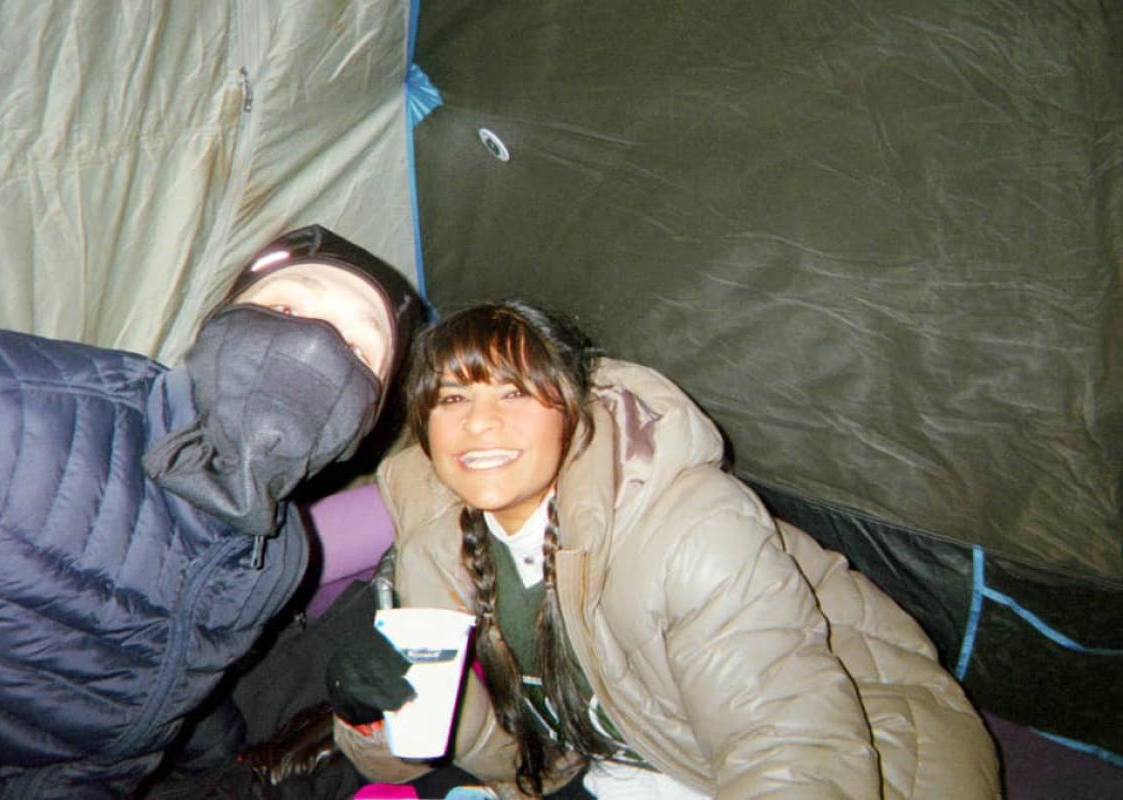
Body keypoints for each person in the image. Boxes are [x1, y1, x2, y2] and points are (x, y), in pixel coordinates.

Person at [318, 301, 1000, 799]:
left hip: (882, 756)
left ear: (574, 413)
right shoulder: (443, 541)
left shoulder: (689, 528)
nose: (480, 423)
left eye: (517, 393)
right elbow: (514, 756)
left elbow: (794, 748)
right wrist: (374, 714)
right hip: (641, 756)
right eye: (453, 398)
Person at [0, 224, 421, 797]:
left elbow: (180, 686)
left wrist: (220, 763)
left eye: (358, 349)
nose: (313, 346)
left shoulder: (281, 553)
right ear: (216, 326)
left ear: (364, 424)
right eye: (285, 306)